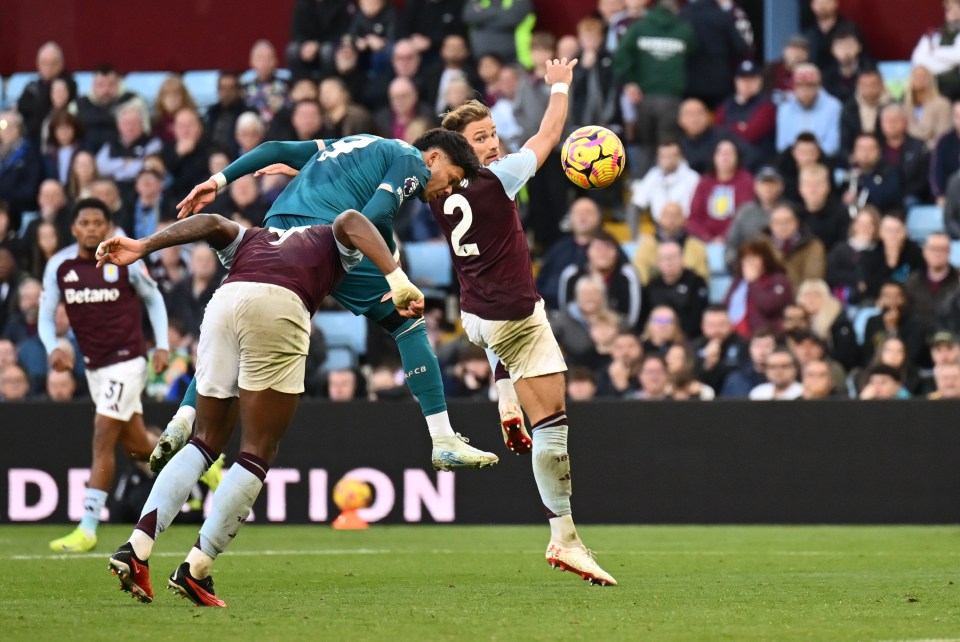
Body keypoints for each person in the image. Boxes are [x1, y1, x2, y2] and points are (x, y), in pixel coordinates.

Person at [99, 206, 423, 606]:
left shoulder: (259, 236)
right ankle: (196, 569)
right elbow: (352, 221)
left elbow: (211, 222)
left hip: (223, 303)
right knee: (258, 448)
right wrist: (397, 275)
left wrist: (144, 244)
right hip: (279, 305)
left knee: (205, 440)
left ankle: (137, 547)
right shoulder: (338, 241)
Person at [164, 128, 494, 474]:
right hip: (322, 237)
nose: (448, 191)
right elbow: (373, 216)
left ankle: (184, 417)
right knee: (406, 320)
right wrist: (395, 269)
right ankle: (443, 440)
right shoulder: (412, 162)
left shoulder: (356, 143)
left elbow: (276, 147)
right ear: (435, 158)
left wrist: (218, 181)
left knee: (243, 321)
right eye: (453, 179)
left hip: (274, 229)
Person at [430, 59, 617, 585]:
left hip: (476, 317)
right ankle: (565, 537)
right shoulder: (496, 179)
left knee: (510, 342)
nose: (491, 144)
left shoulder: (437, 192)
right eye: (479, 138)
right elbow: (551, 132)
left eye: (492, 134)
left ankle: (505, 391)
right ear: (461, 151)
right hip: (514, 319)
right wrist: (560, 83)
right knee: (552, 428)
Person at [39, 198, 170, 553]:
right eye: (86, 222)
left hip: (129, 360)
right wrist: (53, 347)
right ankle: (204, 463)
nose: (93, 228)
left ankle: (88, 526)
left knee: (102, 436)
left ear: (108, 227)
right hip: (95, 366)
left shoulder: (123, 259)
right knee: (137, 445)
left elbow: (154, 298)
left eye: (100, 222)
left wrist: (160, 344)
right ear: (74, 228)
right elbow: (45, 314)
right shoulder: (60, 266)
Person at [613, 0, 697, 175]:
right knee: (669, 146)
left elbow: (620, 56)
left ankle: (642, 186)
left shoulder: (639, 27)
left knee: (645, 146)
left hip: (645, 97)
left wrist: (631, 81)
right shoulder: (684, 29)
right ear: (675, 10)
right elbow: (695, 54)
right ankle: (666, 191)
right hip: (672, 97)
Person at [559, 230, 642, 330]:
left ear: (617, 252)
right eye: (598, 248)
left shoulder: (627, 276)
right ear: (588, 252)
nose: (603, 253)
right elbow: (565, 312)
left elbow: (631, 319)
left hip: (617, 334)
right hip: (578, 335)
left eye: (608, 248)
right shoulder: (572, 275)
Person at [680, 0, 749, 110]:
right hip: (718, 83)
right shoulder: (722, 16)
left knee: (692, 121)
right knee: (719, 123)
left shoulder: (683, 15)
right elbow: (741, 48)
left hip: (690, 83)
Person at [536, 198, 602, 311]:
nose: (583, 216)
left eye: (588, 212)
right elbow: (538, 286)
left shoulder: (608, 249)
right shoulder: (557, 249)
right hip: (551, 316)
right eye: (578, 213)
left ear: (599, 218)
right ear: (570, 218)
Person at [686, 139, 755, 243]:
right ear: (714, 157)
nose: (725, 157)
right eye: (721, 153)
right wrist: (706, 237)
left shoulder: (745, 181)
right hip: (704, 240)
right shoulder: (704, 182)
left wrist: (724, 237)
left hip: (736, 240)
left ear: (737, 157)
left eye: (729, 153)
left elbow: (744, 216)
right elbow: (694, 217)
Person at [714, 60, 777, 171]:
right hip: (730, 165)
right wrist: (739, 127)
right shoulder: (727, 104)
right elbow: (715, 131)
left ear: (760, 81)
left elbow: (750, 134)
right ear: (736, 82)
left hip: (759, 165)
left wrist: (727, 128)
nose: (747, 83)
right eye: (743, 79)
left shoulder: (767, 105)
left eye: (752, 79)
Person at [725, 239, 794, 338]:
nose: (750, 263)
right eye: (746, 258)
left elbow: (769, 306)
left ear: (765, 259)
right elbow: (726, 305)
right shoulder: (738, 281)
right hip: (736, 335)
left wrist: (753, 282)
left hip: (767, 336)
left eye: (754, 258)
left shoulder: (779, 279)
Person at [643, 240, 709, 339]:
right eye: (664, 258)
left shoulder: (696, 282)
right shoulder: (651, 286)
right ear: (657, 262)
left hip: (689, 338)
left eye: (673, 257)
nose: (669, 262)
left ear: (682, 259)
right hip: (657, 338)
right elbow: (645, 317)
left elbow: (698, 316)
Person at [633, 201, 710, 285]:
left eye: (675, 216)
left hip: (688, 294)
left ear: (684, 220)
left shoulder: (696, 246)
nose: (671, 220)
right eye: (666, 215)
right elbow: (640, 277)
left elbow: (703, 278)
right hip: (654, 295)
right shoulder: (647, 246)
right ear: (659, 219)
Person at [630, 138, 700, 227]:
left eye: (673, 156)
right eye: (665, 156)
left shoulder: (693, 178)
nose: (669, 160)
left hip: (686, 228)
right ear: (659, 158)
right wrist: (636, 238)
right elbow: (636, 204)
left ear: (680, 156)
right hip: (659, 230)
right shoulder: (653, 175)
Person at [775, 64, 842, 157]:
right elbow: (782, 145)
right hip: (792, 162)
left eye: (810, 85)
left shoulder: (834, 106)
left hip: (824, 161)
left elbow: (832, 145)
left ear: (818, 86)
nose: (805, 90)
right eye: (800, 85)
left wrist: (811, 156)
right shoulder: (785, 108)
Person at [724, 166, 784, 268]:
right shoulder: (744, 212)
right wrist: (741, 265)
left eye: (772, 183)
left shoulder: (788, 212)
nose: (768, 187)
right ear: (756, 186)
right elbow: (731, 246)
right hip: (747, 269)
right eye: (764, 183)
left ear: (780, 187)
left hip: (780, 268)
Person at [795, 278, 860, 371]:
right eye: (807, 295)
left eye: (816, 295)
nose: (811, 300)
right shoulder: (795, 321)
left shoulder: (839, 323)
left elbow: (847, 357)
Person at [763, 202, 826, 292]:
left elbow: (813, 280)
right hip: (767, 298)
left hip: (801, 299)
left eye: (787, 221)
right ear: (770, 225)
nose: (782, 226)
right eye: (777, 222)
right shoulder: (760, 246)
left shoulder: (813, 246)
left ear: (797, 222)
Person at [860, 214, 925, 300]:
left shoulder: (917, 253)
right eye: (888, 231)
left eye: (897, 231)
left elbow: (921, 282)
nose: (893, 235)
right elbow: (869, 288)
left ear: (905, 232)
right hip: (878, 300)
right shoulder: (869, 255)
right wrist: (890, 264)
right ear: (880, 233)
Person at [840, 133, 905, 217]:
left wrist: (864, 178)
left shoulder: (891, 172)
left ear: (879, 152)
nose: (866, 153)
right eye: (861, 149)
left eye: (870, 149)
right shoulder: (849, 174)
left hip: (883, 219)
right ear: (854, 152)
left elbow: (885, 199)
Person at [879, 104, 931, 207]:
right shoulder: (876, 147)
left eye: (895, 120)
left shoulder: (919, 146)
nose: (891, 124)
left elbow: (923, 179)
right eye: (887, 120)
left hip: (911, 196)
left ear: (905, 122)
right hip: (882, 195)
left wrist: (899, 195)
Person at [0, 110, 43, 232]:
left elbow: (30, 189)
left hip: (18, 213)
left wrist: (4, 196)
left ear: (17, 128)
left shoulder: (29, 153)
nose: (3, 130)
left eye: (5, 125)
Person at [911, 0, 960, 101]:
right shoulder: (934, 34)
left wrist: (934, 52)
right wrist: (948, 62)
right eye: (950, 9)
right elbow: (918, 60)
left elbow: (957, 56)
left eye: (958, 8)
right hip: (933, 83)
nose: (955, 13)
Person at [838, 68, 890, 159]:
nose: (869, 89)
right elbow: (845, 143)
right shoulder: (849, 108)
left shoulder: (891, 107)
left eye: (873, 84)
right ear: (858, 86)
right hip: (856, 159)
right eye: (865, 85)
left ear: (881, 85)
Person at [903, 65, 952, 149]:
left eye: (923, 76)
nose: (919, 79)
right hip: (908, 152)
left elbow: (943, 135)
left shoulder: (942, 104)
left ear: (931, 80)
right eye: (916, 76)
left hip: (932, 150)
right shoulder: (905, 106)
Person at [718, 329, 777, 397]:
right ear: (750, 349)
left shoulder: (783, 379)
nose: (763, 351)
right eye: (758, 346)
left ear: (775, 348)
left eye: (767, 346)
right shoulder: (735, 380)